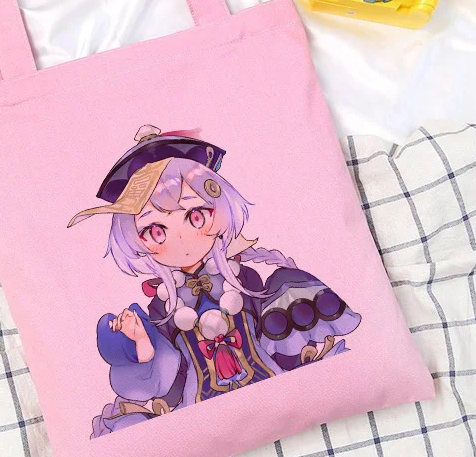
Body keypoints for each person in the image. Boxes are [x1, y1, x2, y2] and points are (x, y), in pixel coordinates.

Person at [67, 125, 362, 438]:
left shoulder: (241, 278)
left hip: (271, 384)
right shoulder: (162, 306)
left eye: (196, 216)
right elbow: (164, 373)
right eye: (156, 231)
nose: (181, 238)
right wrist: (140, 339)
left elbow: (271, 334)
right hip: (200, 411)